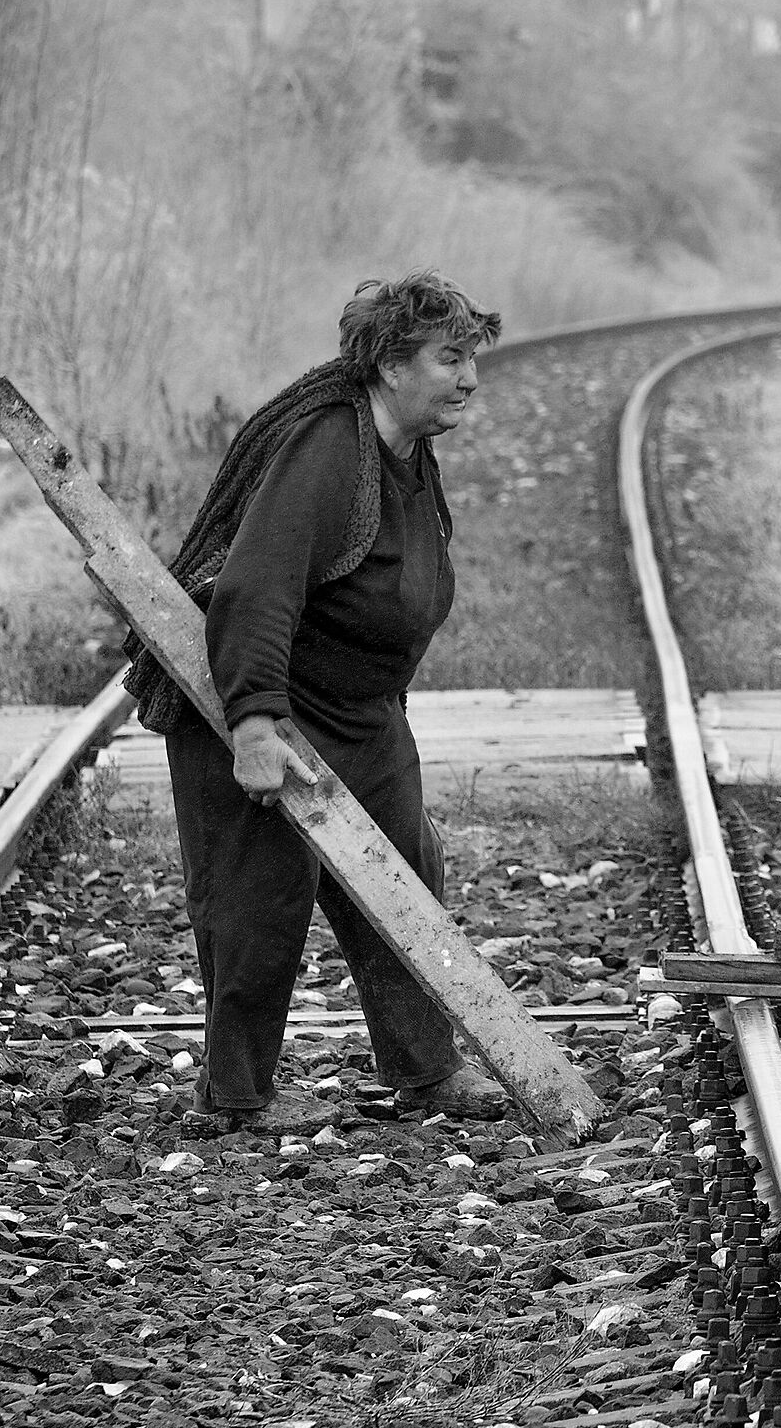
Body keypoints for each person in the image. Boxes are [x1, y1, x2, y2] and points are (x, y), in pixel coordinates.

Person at [123, 270, 511, 1133]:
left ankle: (427, 1072)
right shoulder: (328, 449)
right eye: (451, 358)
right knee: (256, 900)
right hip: (272, 704)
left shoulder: (405, 450)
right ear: (391, 363)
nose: (469, 378)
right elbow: (256, 588)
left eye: (472, 357)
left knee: (406, 880)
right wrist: (254, 724)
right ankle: (238, 1097)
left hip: (361, 710)